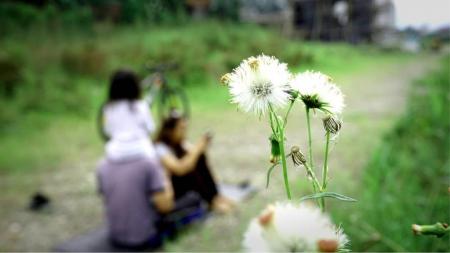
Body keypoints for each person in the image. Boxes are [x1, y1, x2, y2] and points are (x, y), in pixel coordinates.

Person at [96, 70, 203, 250]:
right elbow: (165, 206)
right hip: (144, 239)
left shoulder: (103, 165)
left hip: (115, 236)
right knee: (193, 203)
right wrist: (165, 178)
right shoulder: (148, 162)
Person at [154, 111, 235, 214]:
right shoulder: (160, 148)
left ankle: (216, 197)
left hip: (182, 184)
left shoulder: (179, 143)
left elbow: (195, 156)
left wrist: (200, 148)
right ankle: (211, 201)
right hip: (171, 192)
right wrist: (198, 148)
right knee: (192, 162)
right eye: (181, 129)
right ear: (170, 130)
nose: (184, 132)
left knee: (198, 158)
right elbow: (179, 169)